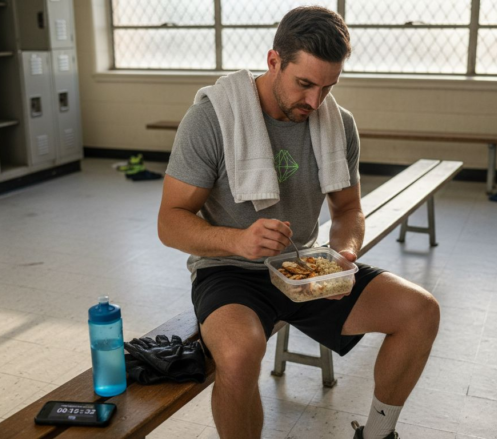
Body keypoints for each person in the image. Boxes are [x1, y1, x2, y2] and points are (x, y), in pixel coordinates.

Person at [158, 6, 439, 439]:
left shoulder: (338, 124)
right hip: (230, 270)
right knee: (238, 355)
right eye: (304, 84)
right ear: (274, 62)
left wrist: (345, 253)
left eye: (328, 87)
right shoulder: (212, 118)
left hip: (306, 267)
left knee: (420, 311)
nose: (315, 102)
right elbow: (169, 222)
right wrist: (238, 241)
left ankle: (379, 434)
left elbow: (348, 211)